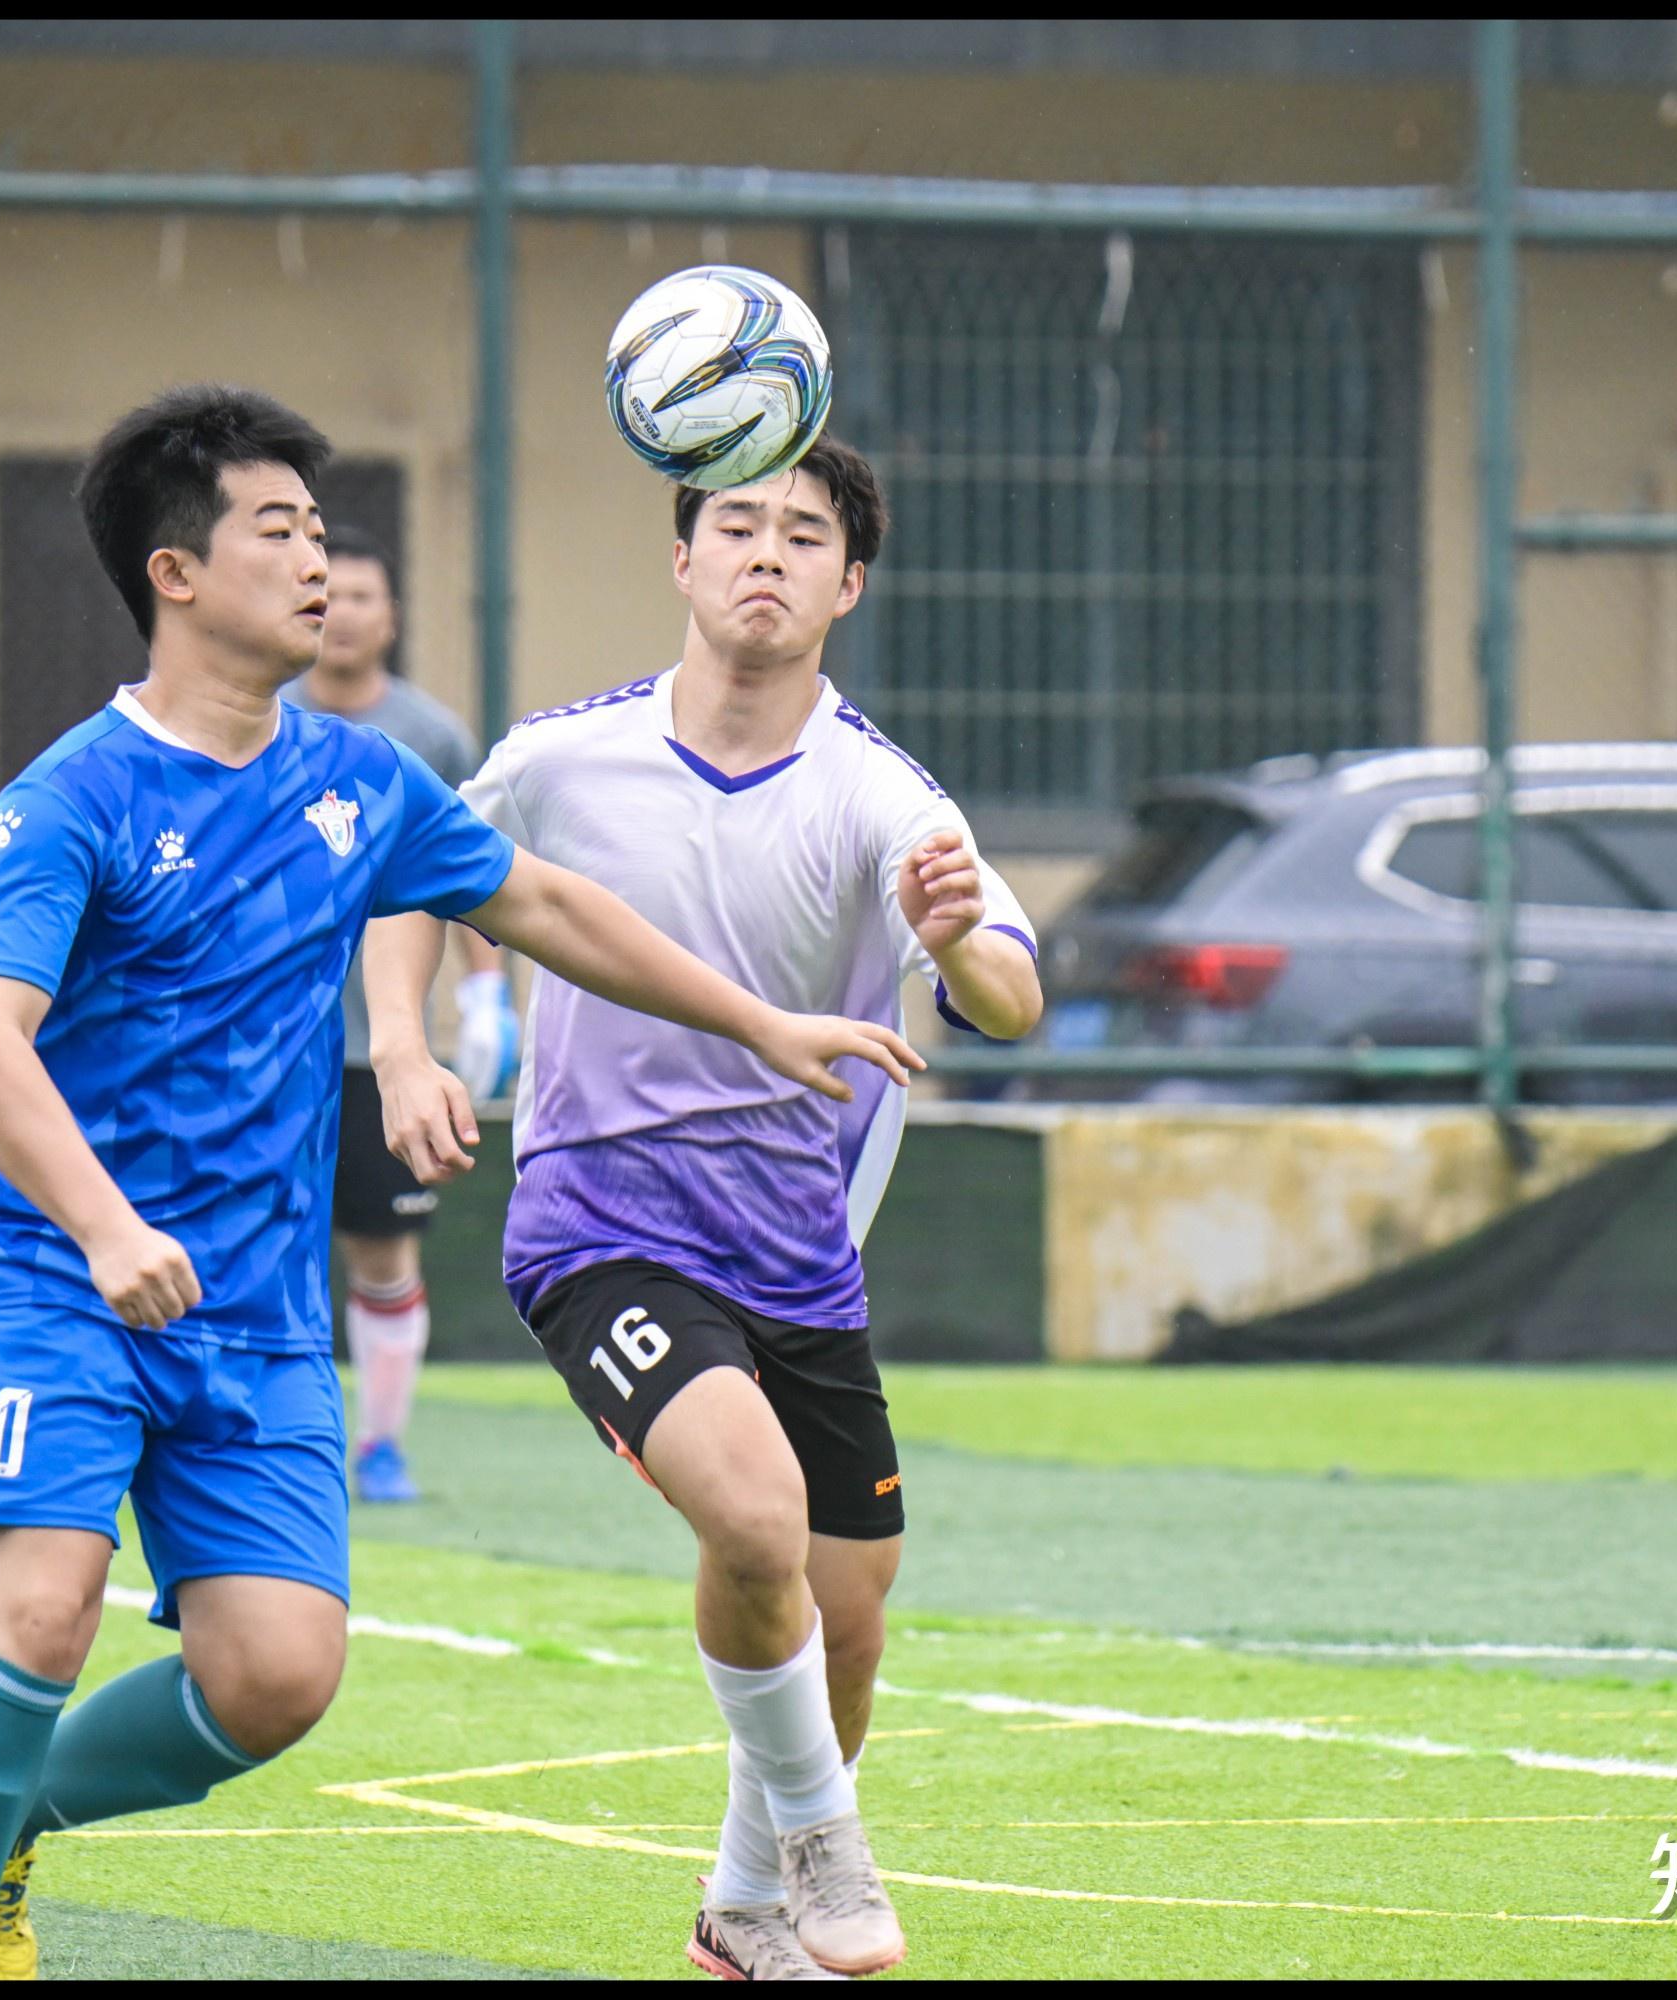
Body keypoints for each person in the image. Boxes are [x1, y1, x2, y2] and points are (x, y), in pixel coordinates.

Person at [0, 385, 921, 1981]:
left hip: (256, 1313)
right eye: (281, 531)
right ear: (176, 572)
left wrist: (758, 1018)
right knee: (42, 1614)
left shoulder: (358, 778)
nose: (321, 563)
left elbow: (550, 909)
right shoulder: (71, 798)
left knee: (278, 1679)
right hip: (67, 1286)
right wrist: (101, 1230)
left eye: (323, 531)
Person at [366, 437, 1043, 1982]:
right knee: (748, 1517)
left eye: (804, 535)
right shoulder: (559, 757)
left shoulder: (883, 792)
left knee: (848, 1615)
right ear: (680, 559)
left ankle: (743, 1913)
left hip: (799, 1253)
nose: (766, 553)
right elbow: (415, 882)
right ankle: (825, 1841)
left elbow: (1005, 991)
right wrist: (404, 1046)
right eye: (735, 523)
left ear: (848, 584)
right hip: (599, 1227)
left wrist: (963, 941)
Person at [288, 526, 515, 1505]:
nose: (342, 614)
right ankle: (271, 1442)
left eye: (363, 596)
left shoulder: (431, 735)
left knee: (383, 1247)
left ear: (392, 617)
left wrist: (487, 993)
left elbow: (474, 871)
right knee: (264, 1242)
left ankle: (380, 1445)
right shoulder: (260, 717)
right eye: (325, 593)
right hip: (269, 1045)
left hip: (380, 1050)